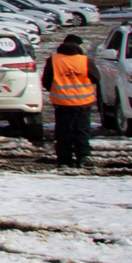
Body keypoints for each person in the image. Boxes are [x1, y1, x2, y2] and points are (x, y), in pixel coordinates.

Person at [41, 33, 99, 166]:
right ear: (78, 46)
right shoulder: (85, 61)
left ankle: (64, 160)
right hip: (83, 103)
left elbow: (46, 81)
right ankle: (83, 158)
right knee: (82, 131)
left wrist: (58, 90)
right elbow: (96, 78)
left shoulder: (53, 60)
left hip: (62, 104)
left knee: (63, 133)